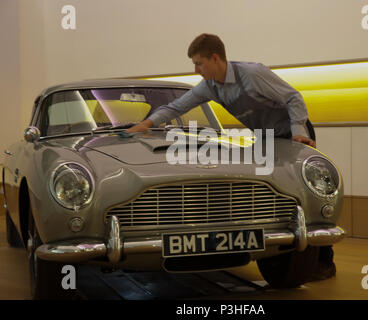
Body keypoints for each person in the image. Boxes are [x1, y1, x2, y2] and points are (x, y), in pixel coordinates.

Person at [127, 33, 335, 281]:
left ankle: (323, 261)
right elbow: (176, 107)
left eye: (199, 63)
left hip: (293, 133)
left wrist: (299, 132)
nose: (196, 69)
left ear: (216, 58)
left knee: (302, 192)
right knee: (278, 188)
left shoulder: (253, 74)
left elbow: (293, 98)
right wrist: (146, 124)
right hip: (266, 137)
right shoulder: (210, 86)